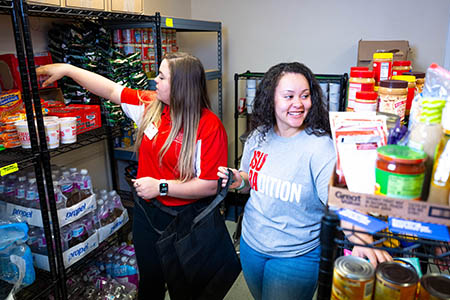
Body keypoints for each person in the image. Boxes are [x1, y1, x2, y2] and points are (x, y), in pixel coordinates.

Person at [37, 52, 228, 300]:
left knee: (185, 287)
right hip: (147, 214)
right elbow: (110, 89)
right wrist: (68, 69)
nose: (155, 81)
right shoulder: (150, 105)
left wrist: (162, 187)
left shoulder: (208, 125)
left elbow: (210, 185)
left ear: (181, 85)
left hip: (183, 221)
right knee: (150, 280)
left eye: (162, 77)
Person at [218, 62, 391, 300]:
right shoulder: (258, 136)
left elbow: (339, 200)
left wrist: (362, 239)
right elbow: (251, 180)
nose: (299, 103)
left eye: (305, 95)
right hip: (251, 245)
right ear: (271, 100)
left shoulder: (319, 148)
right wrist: (239, 179)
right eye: (288, 96)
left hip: (295, 257)